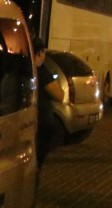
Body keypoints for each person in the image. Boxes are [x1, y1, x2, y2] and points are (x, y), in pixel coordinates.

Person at [33, 38, 65, 170]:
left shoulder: (24, 68)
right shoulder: (42, 72)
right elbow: (59, 95)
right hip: (41, 120)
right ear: (40, 53)